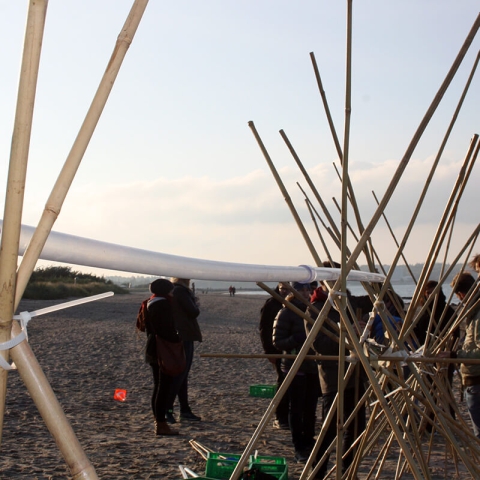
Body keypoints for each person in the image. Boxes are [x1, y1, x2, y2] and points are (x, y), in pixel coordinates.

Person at [307, 281, 366, 479]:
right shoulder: (316, 309)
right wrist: (347, 335)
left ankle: (348, 472)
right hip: (333, 377)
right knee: (329, 431)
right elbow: (318, 344)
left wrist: (362, 330)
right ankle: (318, 473)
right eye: (334, 281)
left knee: (356, 428)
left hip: (355, 375)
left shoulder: (347, 303)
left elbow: (386, 301)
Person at [273, 282, 320, 463]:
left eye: (308, 290)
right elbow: (278, 341)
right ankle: (298, 445)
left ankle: (309, 441)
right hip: (294, 366)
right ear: (294, 292)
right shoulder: (286, 312)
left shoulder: (314, 311)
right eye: (301, 290)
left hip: (313, 366)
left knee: (310, 408)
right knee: (297, 408)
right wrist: (297, 339)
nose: (306, 293)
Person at [442, 272, 480, 439]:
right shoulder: (474, 313)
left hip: (477, 381)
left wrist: (455, 355)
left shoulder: (478, 315)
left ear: (461, 294)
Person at [144, 278, 180, 436]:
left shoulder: (150, 302)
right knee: (163, 387)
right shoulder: (162, 304)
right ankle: (161, 423)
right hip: (162, 349)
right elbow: (165, 329)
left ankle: (159, 421)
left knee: (158, 386)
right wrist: (177, 339)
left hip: (153, 348)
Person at [165, 278, 202, 423]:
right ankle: (172, 409)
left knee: (181, 374)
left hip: (178, 334)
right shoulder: (181, 291)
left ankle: (183, 409)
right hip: (184, 335)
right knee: (181, 374)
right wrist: (196, 304)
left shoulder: (173, 291)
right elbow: (193, 312)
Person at [259, 282, 290, 429]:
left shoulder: (294, 303)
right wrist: (268, 351)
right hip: (276, 349)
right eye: (282, 288)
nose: (284, 291)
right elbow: (264, 329)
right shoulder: (271, 304)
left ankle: (289, 415)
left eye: (287, 288)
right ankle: (280, 416)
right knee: (282, 382)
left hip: (292, 348)